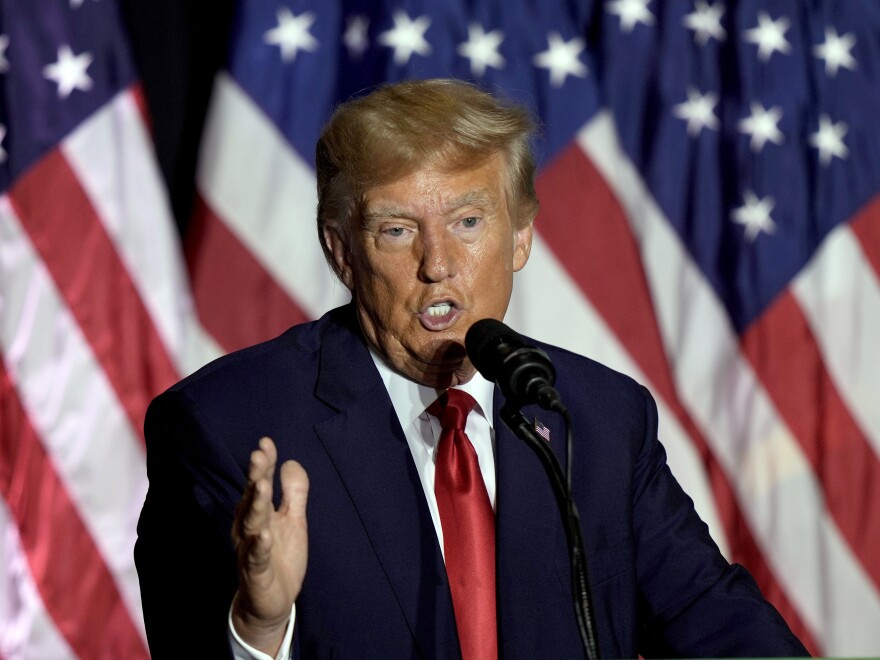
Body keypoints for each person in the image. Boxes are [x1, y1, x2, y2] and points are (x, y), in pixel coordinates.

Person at [135, 78, 808, 659]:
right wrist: (261, 624)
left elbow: (715, 624)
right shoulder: (228, 426)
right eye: (396, 229)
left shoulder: (598, 420)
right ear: (341, 252)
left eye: (468, 220)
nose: (438, 263)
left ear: (520, 235)